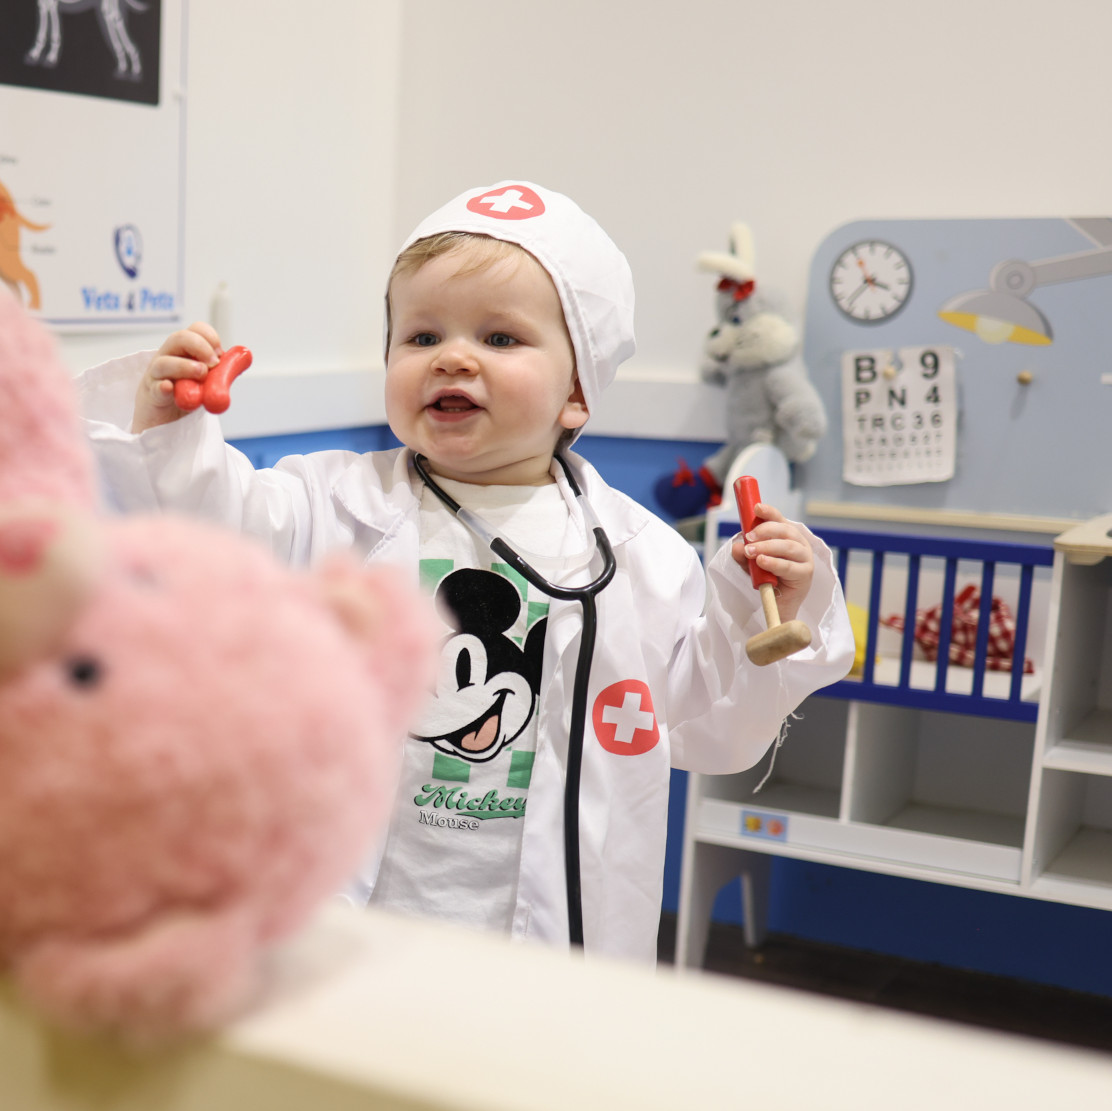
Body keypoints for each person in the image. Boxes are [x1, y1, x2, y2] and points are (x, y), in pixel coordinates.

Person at [75, 181, 854, 962]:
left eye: (500, 339)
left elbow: (700, 717)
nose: (452, 356)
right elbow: (212, 542)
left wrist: (765, 608)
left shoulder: (638, 554)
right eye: (419, 337)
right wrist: (170, 436)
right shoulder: (332, 503)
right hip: (363, 911)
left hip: (552, 935)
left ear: (578, 391)